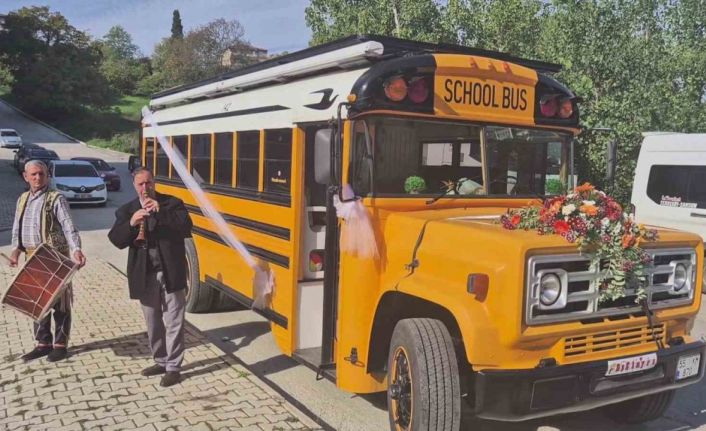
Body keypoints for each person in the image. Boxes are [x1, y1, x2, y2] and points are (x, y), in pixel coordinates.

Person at [108, 167, 192, 387]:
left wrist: (160, 212)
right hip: (145, 275)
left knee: (174, 321)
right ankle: (161, 360)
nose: (145, 188)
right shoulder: (127, 210)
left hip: (171, 273)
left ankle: (173, 367)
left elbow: (186, 227)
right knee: (153, 322)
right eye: (141, 184)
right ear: (135, 186)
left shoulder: (172, 203)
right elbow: (116, 240)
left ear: (154, 182)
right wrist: (132, 224)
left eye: (149, 183)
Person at [9, 160, 86, 362]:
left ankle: (60, 345)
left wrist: (76, 249)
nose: (37, 178)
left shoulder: (56, 198)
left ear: (47, 175)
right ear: (25, 176)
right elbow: (18, 228)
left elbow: (69, 226)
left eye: (41, 174)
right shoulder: (22, 199)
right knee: (37, 301)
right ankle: (43, 343)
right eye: (33, 174)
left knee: (60, 304)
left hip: (55, 258)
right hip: (32, 258)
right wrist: (16, 250)